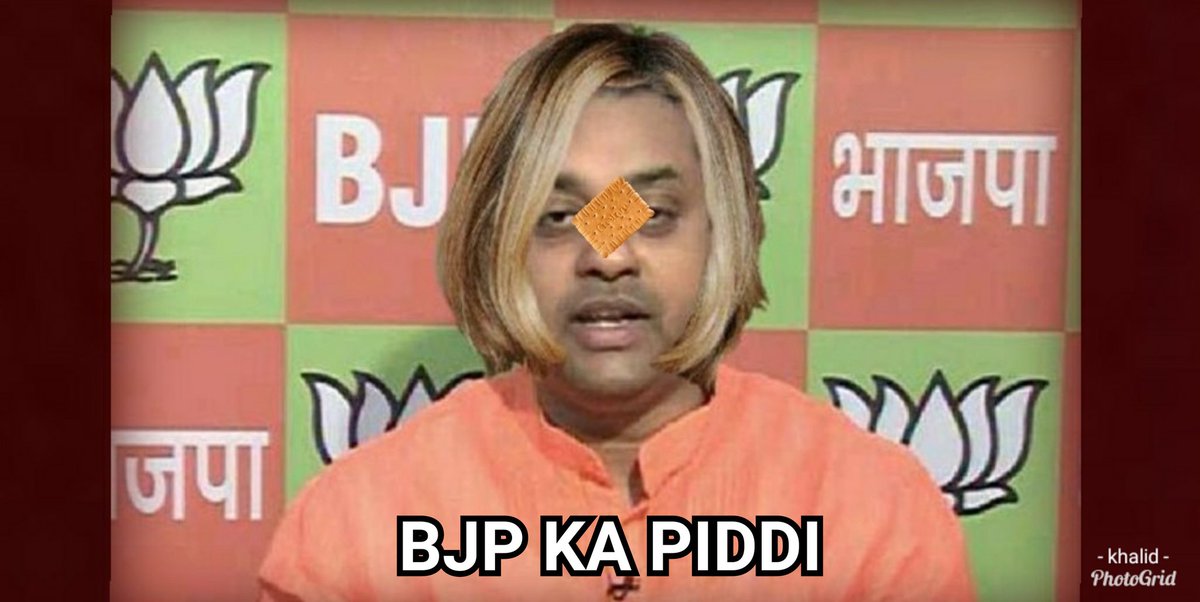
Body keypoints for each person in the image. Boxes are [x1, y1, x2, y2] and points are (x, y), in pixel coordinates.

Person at [259, 23, 976, 601]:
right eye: (559, 215)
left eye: (650, 213)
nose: (608, 257)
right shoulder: (361, 526)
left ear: (724, 231)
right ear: (494, 240)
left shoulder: (865, 508)